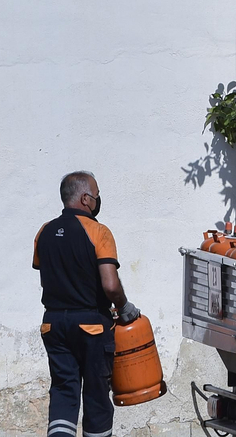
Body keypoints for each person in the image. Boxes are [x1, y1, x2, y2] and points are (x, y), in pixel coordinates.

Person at [34, 171, 140, 437]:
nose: (98, 200)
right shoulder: (99, 232)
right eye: (96, 195)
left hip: (54, 325)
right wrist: (125, 307)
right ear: (85, 198)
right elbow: (110, 284)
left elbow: (48, 273)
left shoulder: (44, 232)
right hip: (91, 326)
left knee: (63, 391)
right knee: (96, 396)